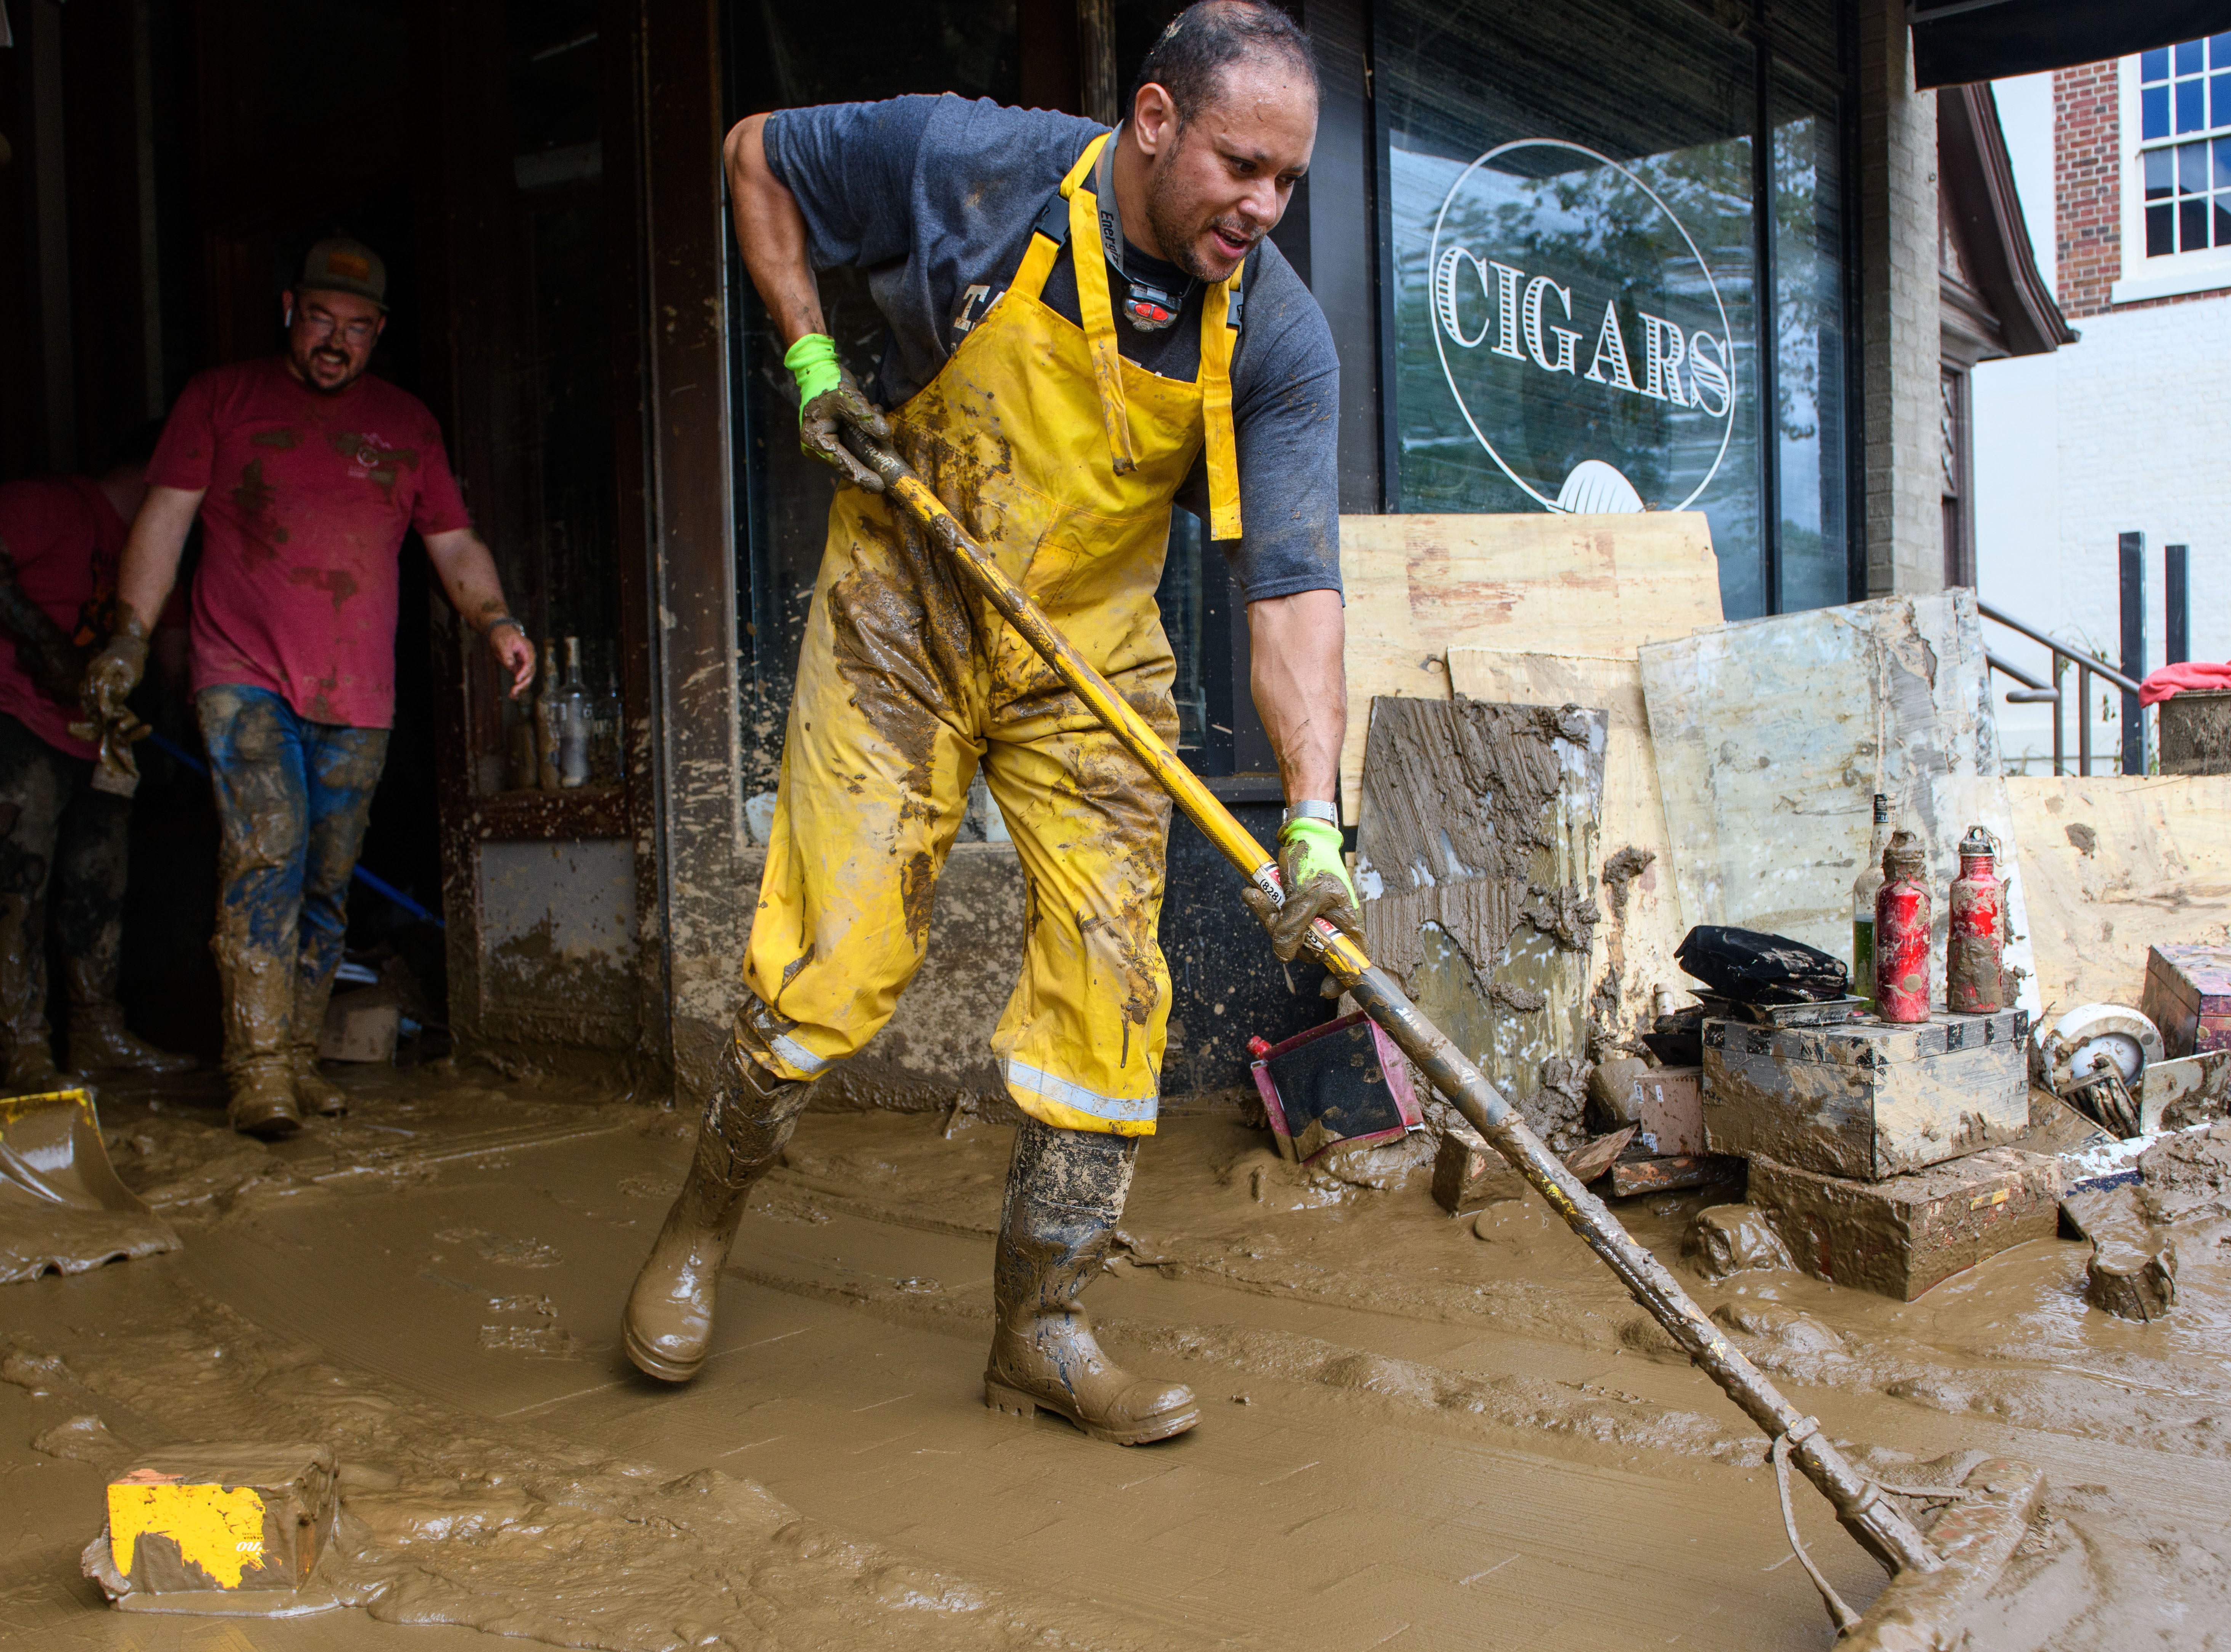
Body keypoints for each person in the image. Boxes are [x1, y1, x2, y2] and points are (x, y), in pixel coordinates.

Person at [622, 0, 1358, 1446]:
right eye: (1240, 166)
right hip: (908, 601)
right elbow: (753, 155)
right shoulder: (970, 163)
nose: (1261, 209)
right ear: (1153, 121)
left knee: (1110, 988)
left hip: (1085, 658)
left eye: (1288, 182)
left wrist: (1316, 828)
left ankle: (1042, 1328)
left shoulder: (1274, 331)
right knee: (834, 956)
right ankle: (704, 1219)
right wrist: (814, 365)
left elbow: (1291, 593)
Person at [84, 237, 533, 1139]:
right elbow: (163, 524)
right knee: (267, 853)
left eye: (358, 328)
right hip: (241, 675)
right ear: (289, 308)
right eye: (322, 319)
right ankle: (255, 1070)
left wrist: (497, 621)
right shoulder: (221, 398)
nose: (337, 341)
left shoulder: (407, 425)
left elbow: (452, 542)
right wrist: (127, 641)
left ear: (378, 334)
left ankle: (292, 1056)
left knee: (326, 879)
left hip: (357, 692)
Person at [0, 425, 198, 1088]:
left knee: (100, 881)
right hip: (12, 713)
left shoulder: (163, 552)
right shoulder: (46, 503)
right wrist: (47, 643)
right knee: (17, 880)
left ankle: (97, 1033)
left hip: (99, 733)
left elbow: (172, 650)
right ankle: (24, 1048)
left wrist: (209, 723)